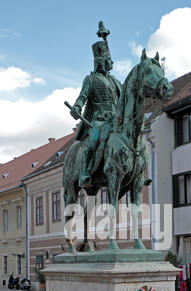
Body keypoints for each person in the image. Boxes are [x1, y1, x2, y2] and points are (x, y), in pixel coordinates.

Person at [69, 22, 122, 187]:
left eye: (109, 60)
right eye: (106, 60)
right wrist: (76, 108)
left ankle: (135, 172)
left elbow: (124, 99)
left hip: (116, 119)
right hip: (99, 119)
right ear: (99, 61)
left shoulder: (115, 81)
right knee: (93, 141)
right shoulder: (91, 79)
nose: (109, 62)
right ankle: (84, 171)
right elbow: (82, 97)